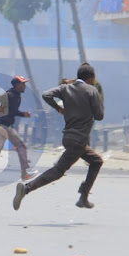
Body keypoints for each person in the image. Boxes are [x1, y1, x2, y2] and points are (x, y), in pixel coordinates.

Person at [13, 63, 104, 211]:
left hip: (68, 137)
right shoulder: (91, 90)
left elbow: (46, 95)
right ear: (91, 78)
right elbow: (100, 116)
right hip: (79, 140)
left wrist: (59, 108)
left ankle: (83, 196)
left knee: (96, 161)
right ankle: (26, 188)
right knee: (58, 171)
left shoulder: (65, 88)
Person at [0, 76, 39, 181]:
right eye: (23, 84)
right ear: (17, 85)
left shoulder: (16, 95)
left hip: (3, 125)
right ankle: (25, 174)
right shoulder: (9, 95)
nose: (24, 86)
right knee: (22, 147)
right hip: (5, 126)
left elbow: (13, 111)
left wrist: (23, 114)